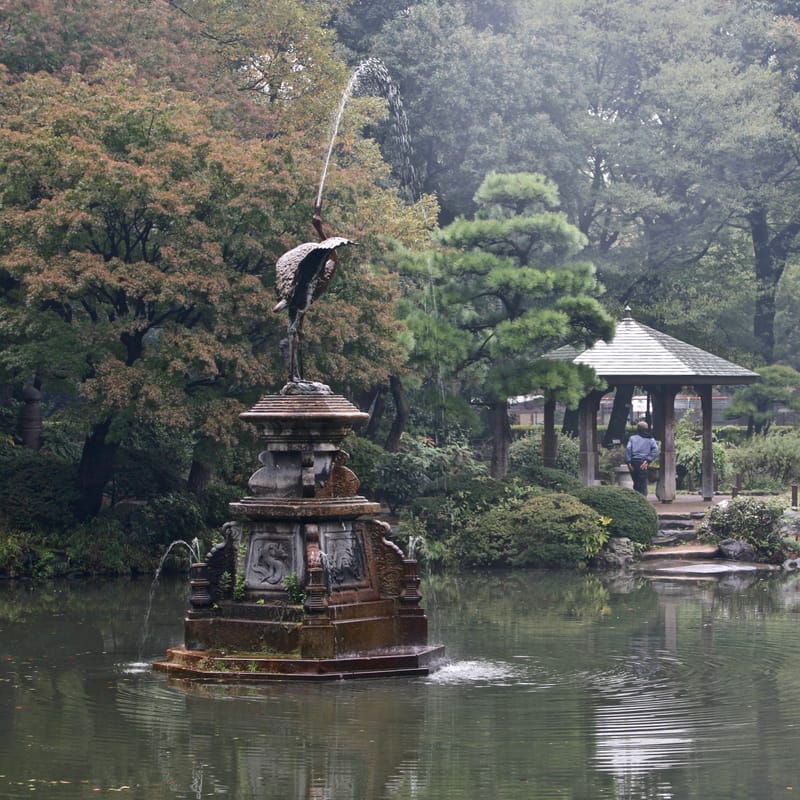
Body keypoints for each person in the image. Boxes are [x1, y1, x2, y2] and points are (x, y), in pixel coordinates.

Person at [624, 420, 660, 497]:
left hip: (633, 463)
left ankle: (637, 498)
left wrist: (628, 463)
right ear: (647, 429)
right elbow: (656, 450)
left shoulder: (632, 438)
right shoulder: (650, 439)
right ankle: (643, 498)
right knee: (643, 483)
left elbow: (628, 449)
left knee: (636, 483)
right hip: (643, 463)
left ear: (637, 429)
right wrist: (648, 460)